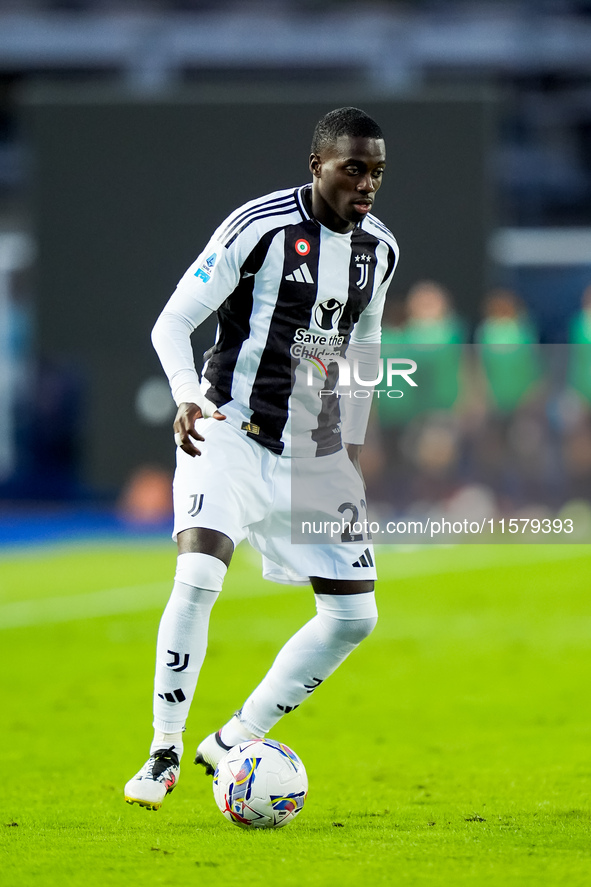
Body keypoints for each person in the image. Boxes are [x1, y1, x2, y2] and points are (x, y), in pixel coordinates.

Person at [124, 106, 399, 810]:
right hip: (226, 431)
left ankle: (236, 736)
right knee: (197, 575)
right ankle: (163, 751)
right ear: (317, 165)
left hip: (311, 449)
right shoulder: (260, 226)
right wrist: (186, 396)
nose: (366, 184)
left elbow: (364, 344)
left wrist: (352, 442)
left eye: (376, 172)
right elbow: (172, 321)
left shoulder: (380, 250)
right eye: (353, 169)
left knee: (353, 617)